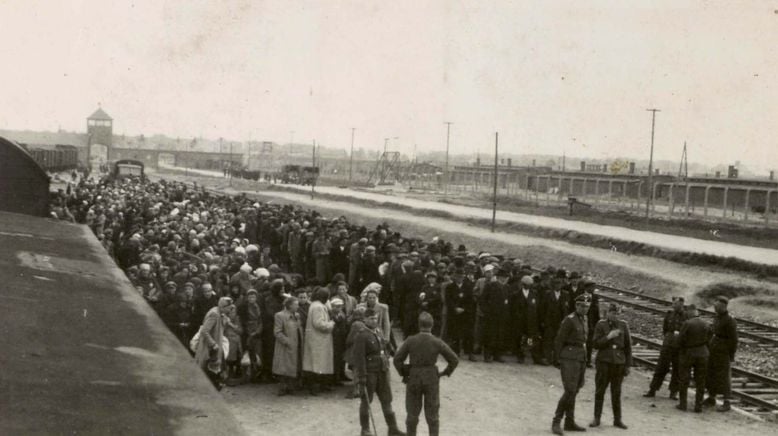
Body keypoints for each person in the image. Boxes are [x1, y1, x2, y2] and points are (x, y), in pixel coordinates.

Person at [393, 312, 459, 436]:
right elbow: (454, 359)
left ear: (419, 325)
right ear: (432, 325)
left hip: (414, 377)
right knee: (433, 415)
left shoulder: (411, 340)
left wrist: (405, 373)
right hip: (431, 378)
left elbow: (397, 359)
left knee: (412, 414)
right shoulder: (437, 341)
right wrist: (444, 373)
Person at [352, 309, 406, 436]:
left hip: (382, 371)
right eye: (371, 318)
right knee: (366, 401)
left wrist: (390, 351)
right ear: (364, 320)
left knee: (386, 400)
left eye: (375, 318)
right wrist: (361, 376)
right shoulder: (361, 335)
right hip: (370, 373)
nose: (374, 321)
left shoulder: (379, 331)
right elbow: (359, 358)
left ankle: (392, 429)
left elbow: (384, 346)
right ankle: (365, 430)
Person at [551, 293, 590, 435]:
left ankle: (569, 421)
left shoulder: (584, 319)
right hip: (569, 358)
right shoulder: (569, 320)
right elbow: (559, 340)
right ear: (576, 305)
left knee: (576, 389)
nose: (585, 309)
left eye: (587, 306)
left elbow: (584, 340)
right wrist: (556, 359)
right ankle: (556, 421)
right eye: (582, 306)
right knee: (570, 390)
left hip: (580, 358)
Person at [590, 303, 631, 429]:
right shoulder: (601, 325)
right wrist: (608, 337)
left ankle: (617, 419)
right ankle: (597, 418)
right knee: (600, 391)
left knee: (616, 392)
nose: (615, 315)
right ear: (607, 313)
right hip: (604, 362)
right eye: (613, 313)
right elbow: (595, 344)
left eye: (617, 313)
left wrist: (628, 365)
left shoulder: (623, 325)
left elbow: (628, 347)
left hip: (618, 363)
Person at [644, 296, 686, 399]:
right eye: (673, 303)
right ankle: (653, 389)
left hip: (679, 347)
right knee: (661, 367)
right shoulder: (669, 315)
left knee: (677, 369)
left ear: (681, 304)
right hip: (668, 345)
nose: (673, 305)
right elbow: (665, 329)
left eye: (675, 304)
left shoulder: (686, 316)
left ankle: (673, 392)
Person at [703, 296, 738, 412]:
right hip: (713, 350)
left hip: (723, 351)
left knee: (724, 377)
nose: (714, 308)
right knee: (711, 373)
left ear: (723, 307)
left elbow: (734, 339)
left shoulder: (730, 320)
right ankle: (712, 397)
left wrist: (731, 354)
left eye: (716, 306)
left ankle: (727, 402)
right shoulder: (717, 318)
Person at [676, 304, 710, 413]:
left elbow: (680, 340)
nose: (686, 314)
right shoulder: (706, 323)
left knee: (684, 379)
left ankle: (683, 404)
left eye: (687, 312)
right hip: (703, 353)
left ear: (691, 312)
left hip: (689, 353)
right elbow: (710, 338)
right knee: (701, 380)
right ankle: (698, 406)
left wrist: (683, 348)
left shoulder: (687, 323)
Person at [194, 296, 232, 390]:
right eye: (228, 307)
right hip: (209, 347)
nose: (230, 309)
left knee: (214, 367)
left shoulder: (220, 313)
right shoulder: (214, 314)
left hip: (215, 344)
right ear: (223, 306)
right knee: (207, 367)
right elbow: (204, 331)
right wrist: (213, 344)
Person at [303, 287, 336, 395]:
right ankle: (314, 387)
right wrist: (331, 324)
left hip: (317, 338)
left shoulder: (315, 305)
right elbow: (319, 324)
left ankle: (318, 386)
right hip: (319, 339)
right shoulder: (318, 307)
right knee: (317, 363)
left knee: (315, 363)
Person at [273, 297, 304, 396]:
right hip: (285, 346)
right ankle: (282, 387)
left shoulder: (297, 316)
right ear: (290, 305)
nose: (298, 306)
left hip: (297, 344)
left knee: (293, 365)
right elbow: (277, 332)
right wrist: (287, 341)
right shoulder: (279, 315)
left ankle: (291, 386)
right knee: (284, 366)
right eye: (296, 304)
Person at [444, 268, 476, 361]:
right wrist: (455, 308)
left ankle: (470, 352)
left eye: (461, 277)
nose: (459, 278)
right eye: (458, 276)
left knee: (468, 333)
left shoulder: (468, 287)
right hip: (454, 314)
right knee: (455, 333)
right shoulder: (449, 287)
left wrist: (464, 309)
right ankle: (455, 352)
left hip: (465, 314)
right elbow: (448, 300)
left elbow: (470, 301)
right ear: (454, 277)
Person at [511, 275, 542, 364]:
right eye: (525, 284)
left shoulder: (534, 294)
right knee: (519, 338)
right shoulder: (516, 294)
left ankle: (534, 356)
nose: (527, 286)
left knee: (530, 339)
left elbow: (537, 308)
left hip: (531, 321)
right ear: (522, 284)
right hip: (519, 321)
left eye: (529, 285)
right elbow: (513, 309)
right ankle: (520, 355)